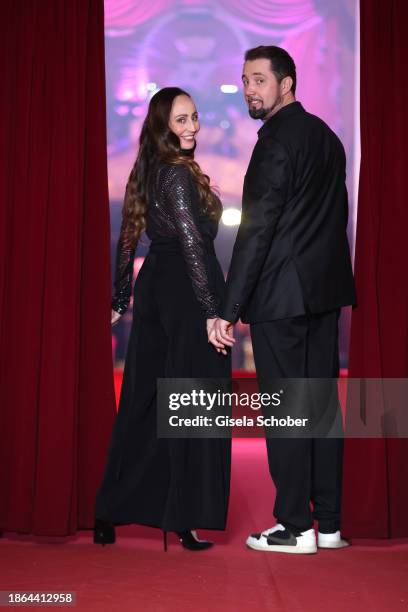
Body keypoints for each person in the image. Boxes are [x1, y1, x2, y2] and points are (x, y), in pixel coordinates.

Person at [209, 46, 356, 554]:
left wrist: (229, 308)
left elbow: (257, 232)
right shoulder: (328, 138)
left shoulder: (274, 142)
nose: (249, 89)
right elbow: (333, 222)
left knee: (288, 413)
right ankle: (330, 524)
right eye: (245, 80)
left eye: (258, 80)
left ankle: (295, 527)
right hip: (323, 295)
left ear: (286, 84)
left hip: (282, 298)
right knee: (320, 410)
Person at [95, 87, 231, 551]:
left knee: (145, 402)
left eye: (194, 117)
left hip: (157, 287)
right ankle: (184, 515)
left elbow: (129, 237)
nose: (192, 127)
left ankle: (110, 511)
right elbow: (193, 243)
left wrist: (121, 296)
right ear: (162, 126)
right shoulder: (175, 173)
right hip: (187, 291)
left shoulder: (148, 170)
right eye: (180, 121)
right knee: (192, 406)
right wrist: (213, 311)